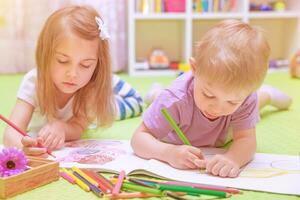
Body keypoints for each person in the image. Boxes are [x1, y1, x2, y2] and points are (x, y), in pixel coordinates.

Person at [131, 20, 292, 178]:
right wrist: (168, 152)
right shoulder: (173, 99)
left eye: (232, 101)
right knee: (163, 101)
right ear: (194, 69)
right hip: (177, 114)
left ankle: (267, 94)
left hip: (225, 132)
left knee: (255, 105)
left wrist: (232, 159)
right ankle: (155, 94)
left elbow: (246, 139)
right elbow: (138, 139)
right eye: (209, 94)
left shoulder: (246, 97)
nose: (217, 108)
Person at [3, 5, 143, 156]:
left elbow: (78, 126)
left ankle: (152, 93)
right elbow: (11, 132)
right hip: (91, 90)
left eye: (85, 64)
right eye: (63, 61)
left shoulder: (92, 86)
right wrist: (23, 148)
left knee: (129, 103)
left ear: (97, 64)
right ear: (46, 55)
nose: (73, 74)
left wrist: (62, 127)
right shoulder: (34, 82)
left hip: (97, 93)